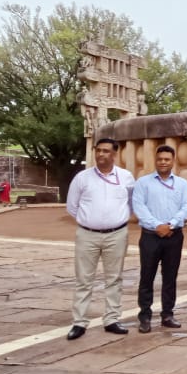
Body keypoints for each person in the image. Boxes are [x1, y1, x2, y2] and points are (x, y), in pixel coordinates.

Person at [65, 138, 136, 339]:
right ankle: (79, 322)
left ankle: (112, 319)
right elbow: (72, 206)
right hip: (87, 234)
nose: (101, 155)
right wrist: (89, 220)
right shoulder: (82, 178)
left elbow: (131, 203)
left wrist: (117, 219)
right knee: (83, 280)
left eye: (106, 151)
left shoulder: (126, 177)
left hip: (117, 234)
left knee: (114, 278)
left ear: (115, 154)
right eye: (98, 150)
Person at [132, 145, 187, 333]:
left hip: (174, 236)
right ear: (155, 160)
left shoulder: (182, 184)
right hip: (150, 236)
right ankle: (145, 315)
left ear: (173, 161)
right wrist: (157, 225)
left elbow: (186, 207)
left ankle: (167, 314)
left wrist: (170, 225)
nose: (163, 162)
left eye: (167, 159)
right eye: (160, 159)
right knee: (147, 276)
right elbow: (139, 207)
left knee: (170, 276)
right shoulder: (143, 182)